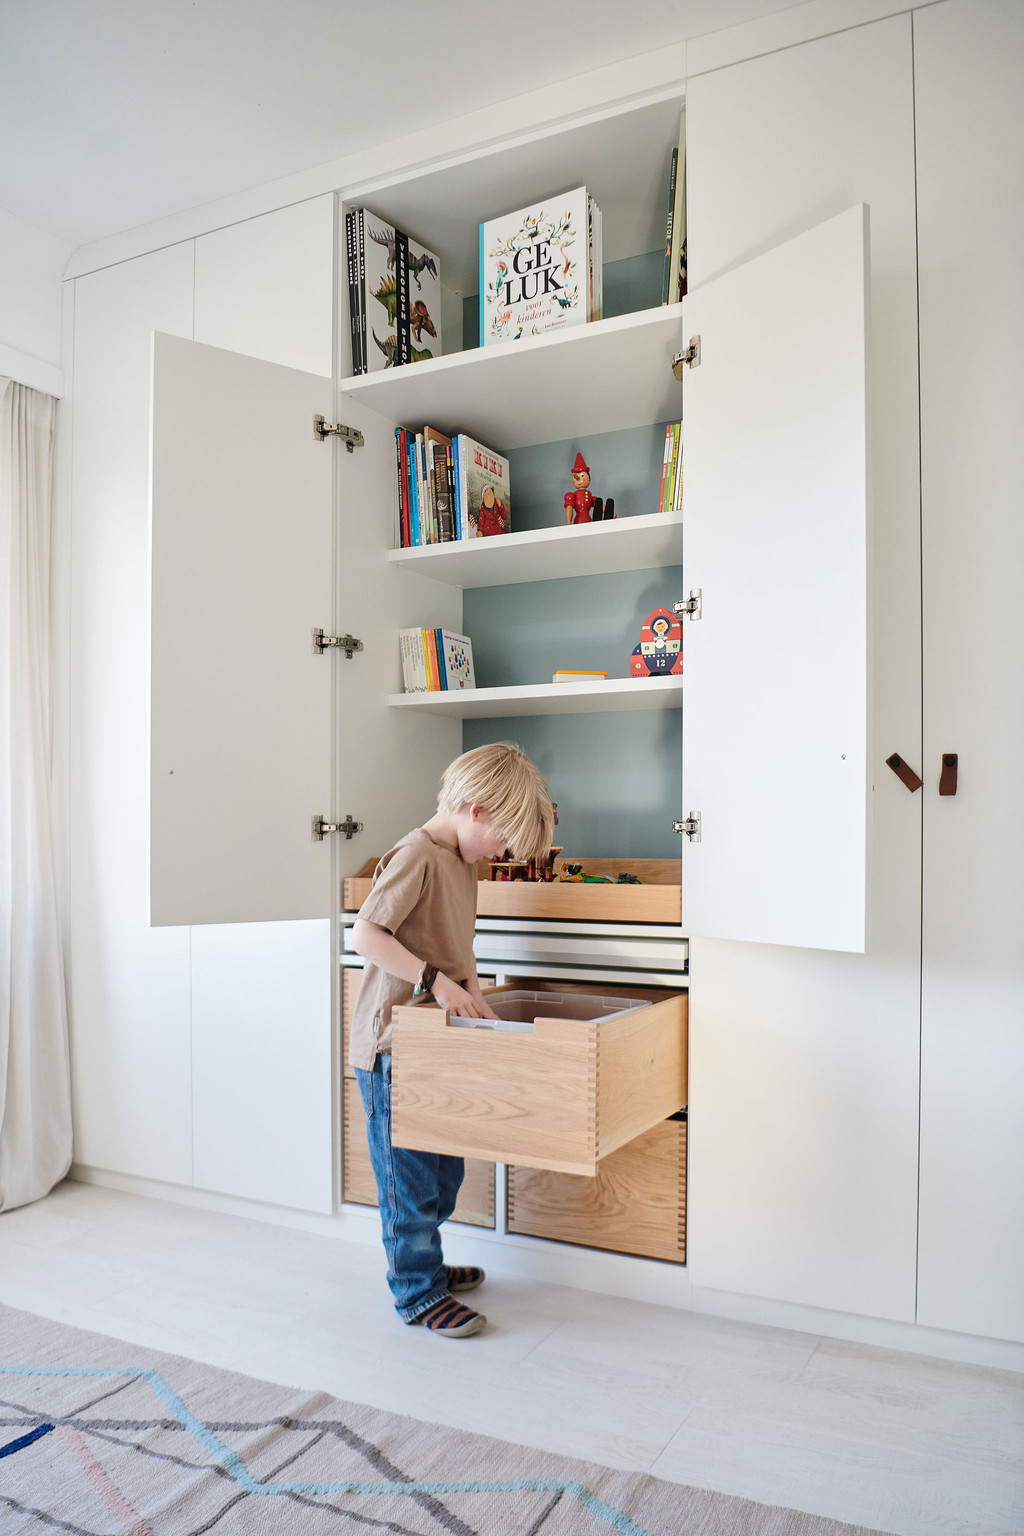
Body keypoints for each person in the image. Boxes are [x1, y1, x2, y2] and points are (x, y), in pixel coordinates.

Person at [349, 743, 554, 1338]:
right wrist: (435, 982)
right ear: (477, 809)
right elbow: (367, 935)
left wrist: (471, 994)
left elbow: (452, 946)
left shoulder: (463, 863)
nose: (505, 855)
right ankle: (416, 1290)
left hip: (435, 1047)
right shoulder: (416, 854)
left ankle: (426, 1262)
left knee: (443, 1177)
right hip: (394, 1049)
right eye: (505, 841)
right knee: (407, 1181)